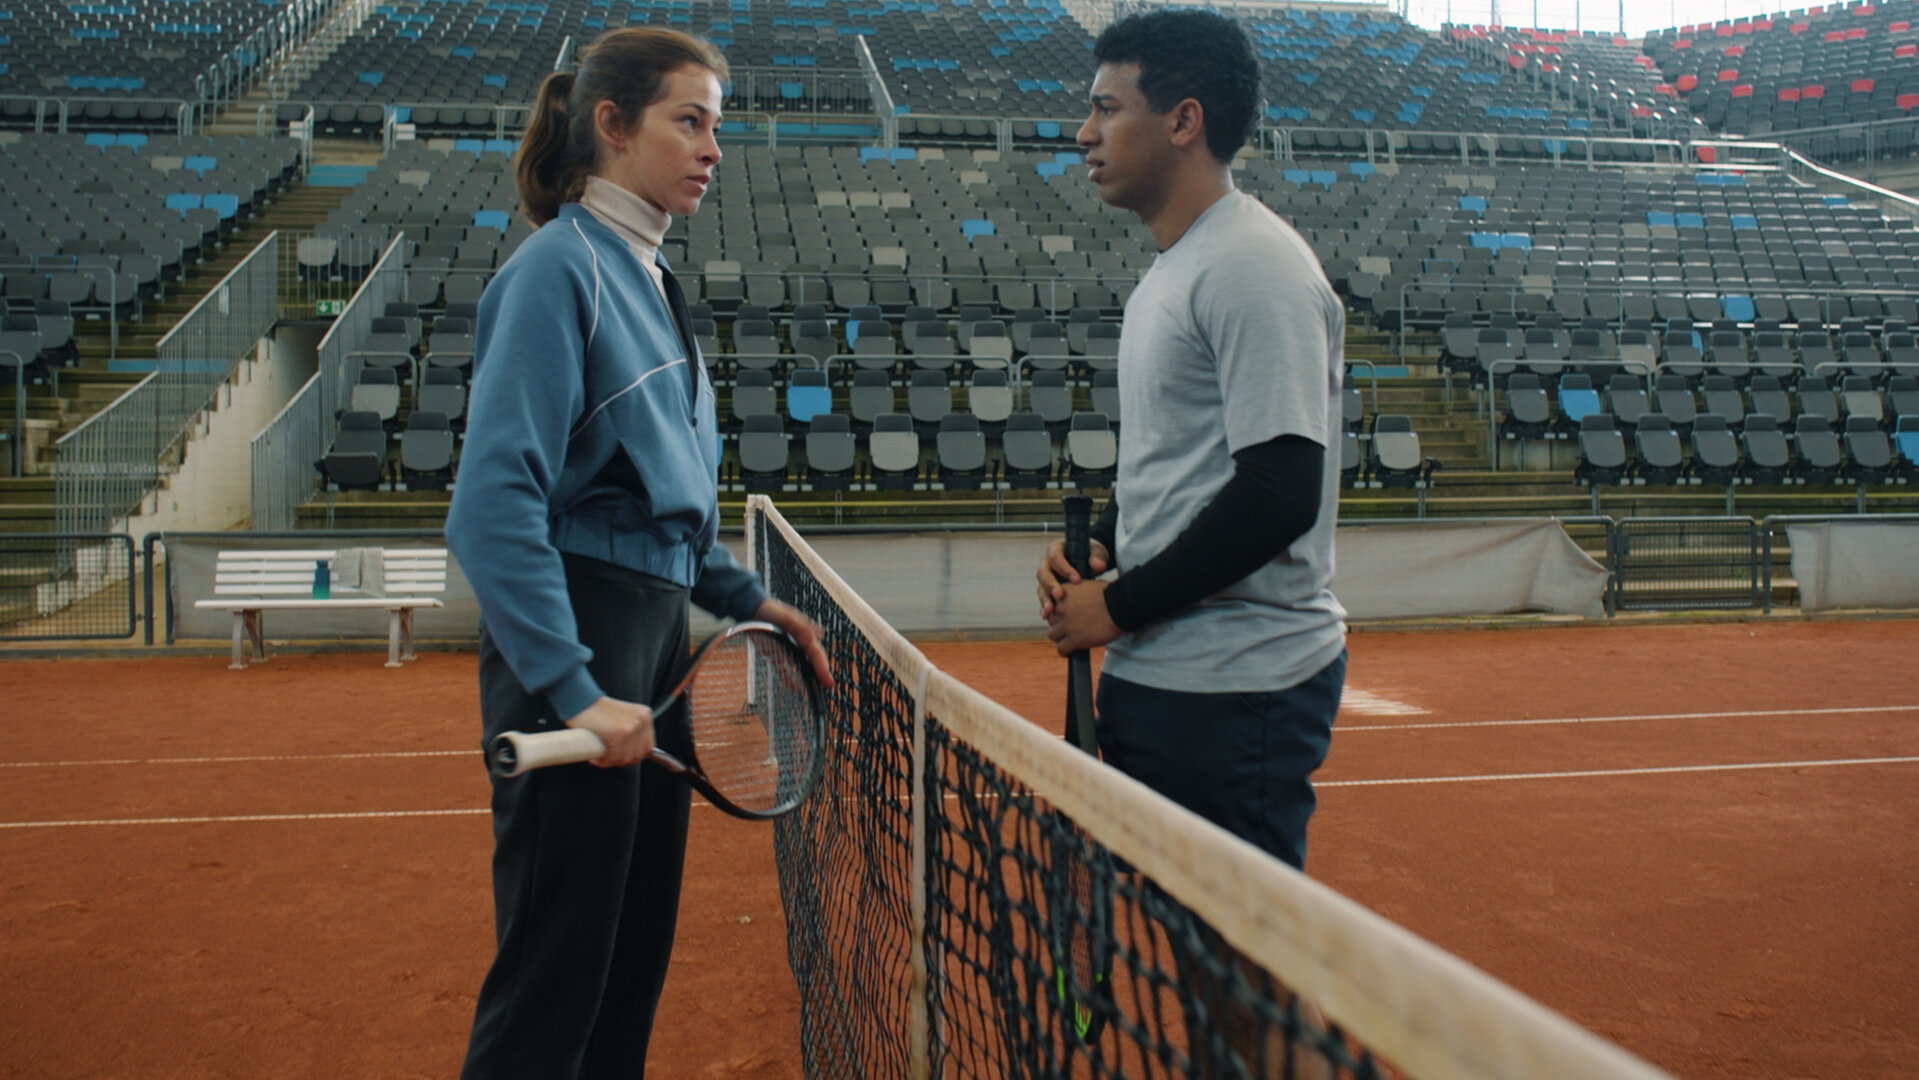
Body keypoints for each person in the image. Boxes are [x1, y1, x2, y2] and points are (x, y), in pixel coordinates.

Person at [444, 28, 830, 1080]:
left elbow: (662, 509)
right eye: (688, 121)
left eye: (719, 126)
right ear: (612, 127)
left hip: (656, 636)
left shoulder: (648, 276)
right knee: (554, 971)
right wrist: (571, 687)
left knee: (626, 965)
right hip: (581, 634)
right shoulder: (555, 270)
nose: (712, 147)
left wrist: (750, 597)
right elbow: (490, 508)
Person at [1035, 8, 1347, 876]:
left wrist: (1120, 604)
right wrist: (1102, 543)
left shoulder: (1251, 265)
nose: (1082, 132)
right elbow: (1176, 463)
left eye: (1106, 108)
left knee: (1234, 972)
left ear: (1182, 121)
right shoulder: (1173, 268)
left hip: (1236, 683)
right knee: (1196, 960)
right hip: (1169, 670)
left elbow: (1280, 489)